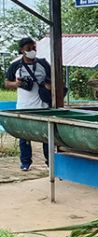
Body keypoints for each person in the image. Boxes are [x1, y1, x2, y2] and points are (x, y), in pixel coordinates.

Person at [3, 37, 51, 171]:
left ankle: (49, 162)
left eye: (34, 48)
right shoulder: (16, 66)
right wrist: (17, 84)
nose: (32, 51)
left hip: (43, 106)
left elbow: (53, 81)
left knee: (46, 136)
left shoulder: (43, 64)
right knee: (24, 137)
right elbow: (7, 82)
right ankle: (25, 163)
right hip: (24, 107)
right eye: (28, 49)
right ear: (22, 50)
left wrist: (48, 86)